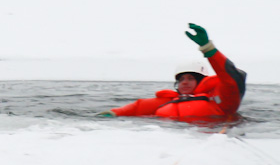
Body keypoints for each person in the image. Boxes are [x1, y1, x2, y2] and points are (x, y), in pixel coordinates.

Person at [102, 23, 246, 121]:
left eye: (190, 78)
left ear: (201, 81)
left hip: (206, 139)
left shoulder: (219, 100)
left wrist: (208, 49)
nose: (184, 82)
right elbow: (138, 107)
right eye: (181, 79)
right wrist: (113, 113)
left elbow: (231, 79)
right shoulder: (168, 101)